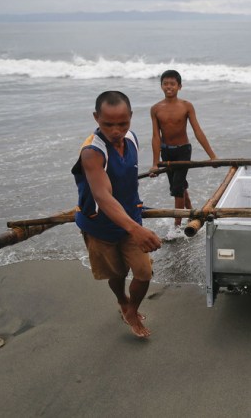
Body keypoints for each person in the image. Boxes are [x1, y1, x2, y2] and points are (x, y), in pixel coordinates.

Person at [72, 91, 162, 338]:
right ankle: (122, 300)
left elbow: (125, 178)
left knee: (143, 272)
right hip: (99, 225)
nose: (116, 130)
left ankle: (132, 310)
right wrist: (137, 229)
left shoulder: (131, 138)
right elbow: (103, 196)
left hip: (132, 218)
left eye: (122, 123)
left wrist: (134, 223)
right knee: (117, 273)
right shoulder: (92, 152)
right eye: (108, 124)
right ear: (96, 118)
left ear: (131, 117)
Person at [149, 70, 217, 233]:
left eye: (172, 84)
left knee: (177, 188)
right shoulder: (155, 109)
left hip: (183, 151)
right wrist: (154, 163)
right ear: (161, 86)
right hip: (166, 152)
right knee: (178, 185)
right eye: (165, 84)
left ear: (179, 86)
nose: (169, 87)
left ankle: (177, 227)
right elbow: (155, 137)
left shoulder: (186, 106)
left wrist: (212, 156)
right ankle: (191, 212)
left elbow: (197, 131)